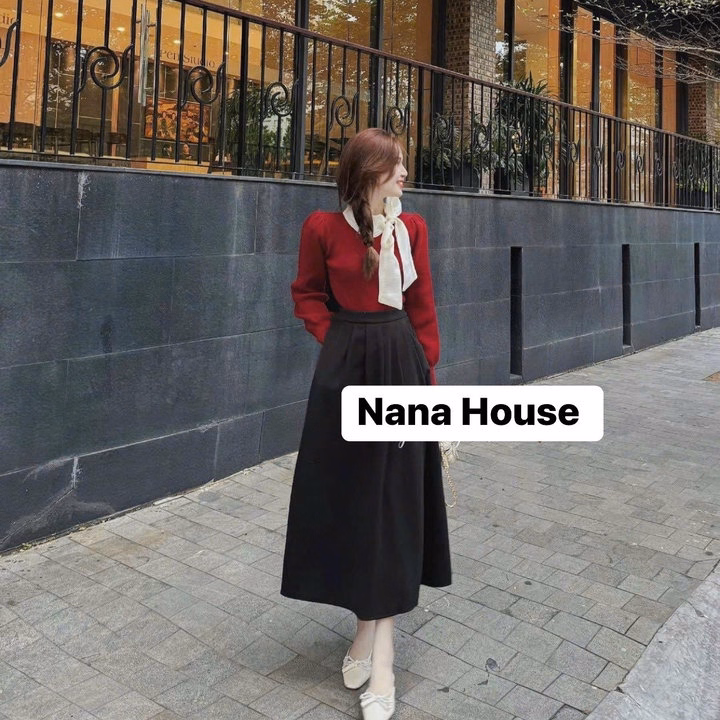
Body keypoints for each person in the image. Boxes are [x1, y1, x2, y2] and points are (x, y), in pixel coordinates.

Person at [280, 127, 452, 720]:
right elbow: (306, 295)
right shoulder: (322, 229)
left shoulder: (413, 229)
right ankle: (364, 632)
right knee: (355, 502)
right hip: (346, 374)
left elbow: (423, 305)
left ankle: (383, 660)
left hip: (401, 366)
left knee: (391, 507)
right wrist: (338, 342)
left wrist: (428, 378)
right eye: (395, 165)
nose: (405, 174)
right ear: (367, 173)